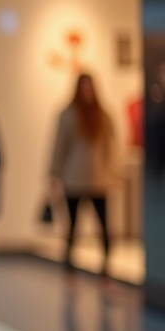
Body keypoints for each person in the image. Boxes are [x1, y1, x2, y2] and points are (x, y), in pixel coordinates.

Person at [49, 73, 117, 274]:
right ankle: (69, 266)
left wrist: (113, 172)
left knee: (104, 226)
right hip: (74, 179)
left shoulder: (103, 115)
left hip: (99, 179)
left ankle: (106, 266)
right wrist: (54, 174)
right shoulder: (69, 114)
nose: (87, 91)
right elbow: (59, 146)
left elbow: (110, 146)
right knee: (72, 227)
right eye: (83, 87)